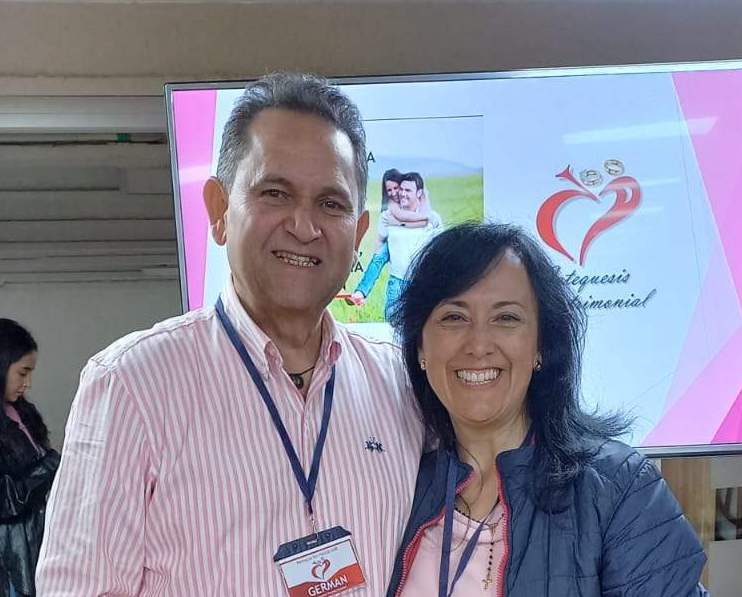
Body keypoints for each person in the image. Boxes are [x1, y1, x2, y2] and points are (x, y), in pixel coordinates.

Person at [36, 73, 424, 596]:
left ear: (358, 233)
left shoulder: (401, 384)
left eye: (331, 204)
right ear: (219, 210)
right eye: (275, 193)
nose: (304, 226)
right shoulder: (131, 385)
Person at [385, 223, 708, 596]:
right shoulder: (400, 485)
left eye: (506, 318)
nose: (478, 344)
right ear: (420, 348)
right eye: (454, 317)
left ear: (540, 346)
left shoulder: (619, 490)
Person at [0, 319, 60, 597]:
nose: (28, 383)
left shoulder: (21, 412)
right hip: (11, 565)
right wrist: (52, 464)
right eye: (23, 373)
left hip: (36, 553)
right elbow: (6, 499)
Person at [350, 172, 442, 320]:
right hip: (397, 285)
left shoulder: (433, 218)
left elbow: (440, 255)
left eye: (408, 190)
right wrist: (361, 291)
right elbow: (379, 258)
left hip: (423, 284)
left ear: (419, 193)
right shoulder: (388, 217)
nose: (402, 194)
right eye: (402, 190)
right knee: (392, 327)